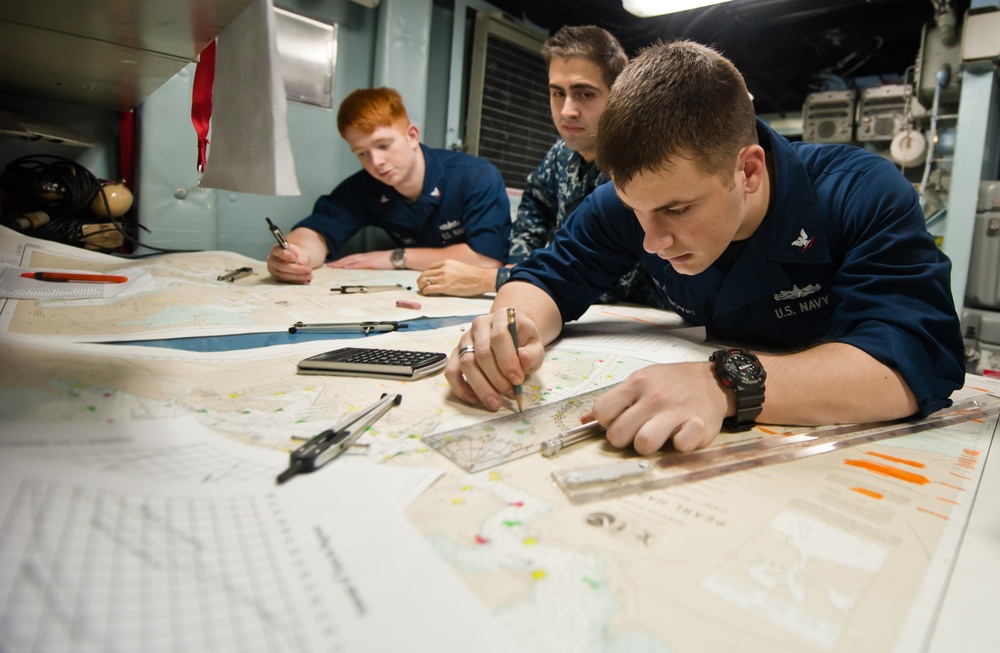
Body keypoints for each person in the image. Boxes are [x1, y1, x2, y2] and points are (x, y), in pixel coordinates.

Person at [445, 39, 965, 455]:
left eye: (677, 210)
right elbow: (543, 278)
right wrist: (509, 327)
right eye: (635, 211)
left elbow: (906, 363)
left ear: (749, 170)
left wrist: (725, 384)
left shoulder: (860, 194)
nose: (652, 240)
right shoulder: (637, 203)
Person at [416, 25, 641, 301]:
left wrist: (495, 279)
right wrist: (518, 265)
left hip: (640, 321)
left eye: (585, 94)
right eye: (558, 93)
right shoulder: (561, 153)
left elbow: (616, 282)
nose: (567, 110)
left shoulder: (636, 164)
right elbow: (535, 203)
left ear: (617, 95)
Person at [267, 87, 511, 283]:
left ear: (412, 136)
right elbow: (318, 231)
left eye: (384, 145)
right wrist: (295, 254)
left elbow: (487, 260)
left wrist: (396, 257)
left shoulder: (475, 176)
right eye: (361, 153)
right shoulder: (365, 186)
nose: (376, 162)